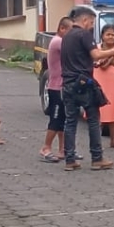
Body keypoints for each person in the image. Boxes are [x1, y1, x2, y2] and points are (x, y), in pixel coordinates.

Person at [61, 6, 114, 171]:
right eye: (92, 22)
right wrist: (112, 52)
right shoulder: (84, 34)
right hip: (83, 84)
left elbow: (79, 57)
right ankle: (97, 157)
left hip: (67, 83)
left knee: (70, 121)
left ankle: (69, 159)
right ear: (85, 20)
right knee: (93, 120)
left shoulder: (67, 36)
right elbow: (96, 54)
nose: (92, 26)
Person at [39, 16, 72, 162]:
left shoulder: (61, 41)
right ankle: (45, 148)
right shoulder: (59, 42)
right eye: (71, 30)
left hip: (62, 86)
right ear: (62, 28)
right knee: (56, 119)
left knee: (63, 119)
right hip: (56, 87)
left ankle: (63, 149)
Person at [93, 24, 114, 150]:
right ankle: (96, 142)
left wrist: (112, 60)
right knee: (98, 112)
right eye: (108, 34)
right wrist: (108, 58)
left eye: (113, 35)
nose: (110, 37)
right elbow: (96, 63)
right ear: (102, 36)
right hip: (99, 82)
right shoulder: (96, 48)